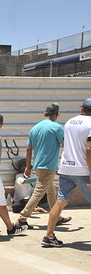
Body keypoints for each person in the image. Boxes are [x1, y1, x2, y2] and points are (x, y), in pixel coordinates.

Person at [42, 98, 91, 247]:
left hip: (66, 167)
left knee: (61, 202)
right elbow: (89, 149)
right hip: (82, 170)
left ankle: (49, 235)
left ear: (81, 108)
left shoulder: (69, 122)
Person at [15, 103, 70, 229]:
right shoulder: (56, 127)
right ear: (56, 114)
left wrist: (28, 167)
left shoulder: (35, 128)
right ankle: (21, 219)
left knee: (51, 190)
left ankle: (57, 217)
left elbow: (29, 149)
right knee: (38, 193)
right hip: (49, 166)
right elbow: (65, 145)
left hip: (39, 165)